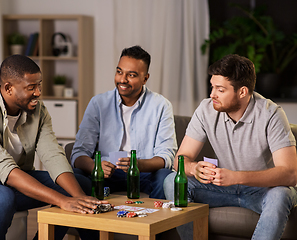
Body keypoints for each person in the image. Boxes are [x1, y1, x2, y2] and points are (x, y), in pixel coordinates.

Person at [0, 55, 105, 240]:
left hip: (5, 183)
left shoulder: (38, 111)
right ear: (8, 88)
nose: (38, 92)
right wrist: (63, 201)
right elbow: (5, 169)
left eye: (39, 85)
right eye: (31, 87)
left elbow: (53, 156)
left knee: (81, 184)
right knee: (1, 199)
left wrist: (79, 198)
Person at [164, 54, 297, 239]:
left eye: (220, 89)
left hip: (261, 190)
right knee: (172, 181)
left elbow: (290, 174)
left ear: (242, 92)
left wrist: (236, 177)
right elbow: (179, 161)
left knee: (281, 195)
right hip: (219, 188)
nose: (212, 95)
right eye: (212, 87)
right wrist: (194, 168)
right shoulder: (206, 109)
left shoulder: (271, 114)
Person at [71, 45, 177, 199]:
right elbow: (79, 153)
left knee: (165, 178)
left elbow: (166, 156)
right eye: (119, 72)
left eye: (131, 75)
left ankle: (156, 222)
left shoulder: (161, 105)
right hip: (105, 174)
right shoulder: (98, 103)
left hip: (144, 173)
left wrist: (138, 165)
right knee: (72, 177)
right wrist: (96, 166)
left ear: (145, 78)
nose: (122, 79)